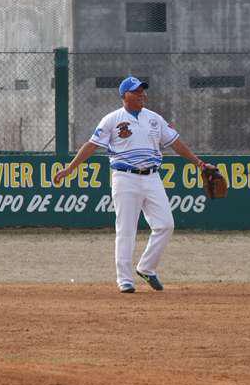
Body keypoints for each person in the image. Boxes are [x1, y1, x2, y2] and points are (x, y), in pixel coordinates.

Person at [53, 76, 213, 293]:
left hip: (152, 177)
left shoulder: (154, 118)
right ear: (124, 95)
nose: (141, 95)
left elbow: (175, 143)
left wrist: (199, 163)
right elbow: (91, 145)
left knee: (166, 224)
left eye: (142, 91)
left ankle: (146, 268)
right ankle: (125, 280)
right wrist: (70, 168)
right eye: (136, 91)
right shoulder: (112, 119)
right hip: (124, 177)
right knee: (126, 229)